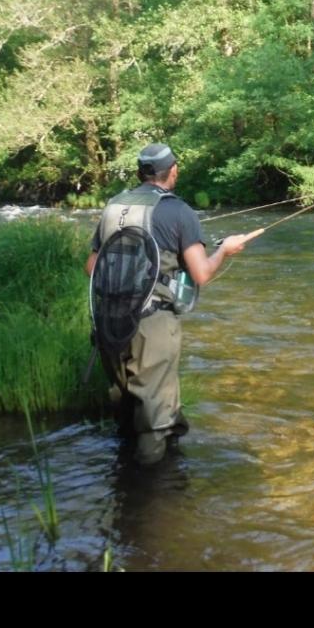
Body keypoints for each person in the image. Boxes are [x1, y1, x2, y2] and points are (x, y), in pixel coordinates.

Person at [85, 142, 252, 465]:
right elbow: (201, 274)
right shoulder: (178, 211)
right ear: (172, 170)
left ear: (140, 173)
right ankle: (152, 495)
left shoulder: (114, 206)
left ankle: (125, 479)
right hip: (152, 324)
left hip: (109, 321)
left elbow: (91, 268)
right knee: (155, 420)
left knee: (127, 407)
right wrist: (225, 250)